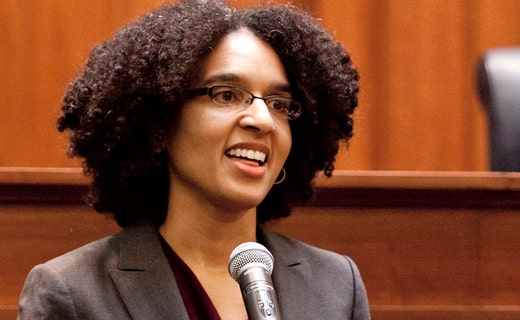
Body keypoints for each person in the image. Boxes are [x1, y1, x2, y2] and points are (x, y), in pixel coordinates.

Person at [18, 0, 370, 319]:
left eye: (279, 104)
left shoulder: (337, 284)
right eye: (226, 95)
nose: (262, 120)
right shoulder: (73, 292)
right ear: (160, 124)